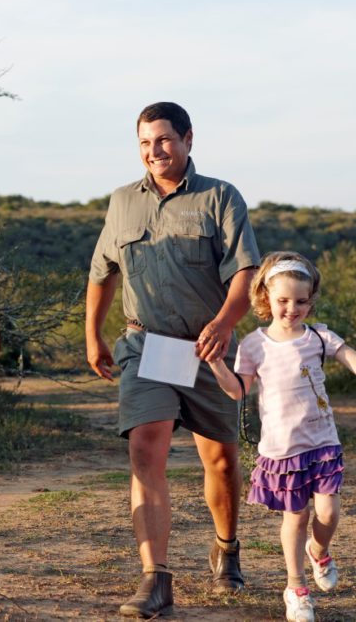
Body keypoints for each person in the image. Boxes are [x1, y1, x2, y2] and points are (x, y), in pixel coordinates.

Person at [86, 101, 262, 617]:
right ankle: (155, 578)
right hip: (146, 347)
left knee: (221, 459)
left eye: (163, 140)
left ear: (187, 139)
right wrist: (92, 335)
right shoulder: (121, 202)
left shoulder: (220, 197)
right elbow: (102, 271)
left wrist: (226, 323)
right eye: (144, 143)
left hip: (206, 351)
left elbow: (244, 273)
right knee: (146, 449)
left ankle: (226, 548)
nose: (153, 151)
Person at [206, 251, 356, 622]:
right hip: (282, 449)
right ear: (266, 299)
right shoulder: (255, 345)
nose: (292, 308)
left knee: (328, 511)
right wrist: (213, 363)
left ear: (311, 301)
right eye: (283, 301)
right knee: (296, 516)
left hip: (323, 443)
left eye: (301, 301)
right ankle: (296, 588)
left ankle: (319, 551)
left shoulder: (319, 337)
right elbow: (238, 391)